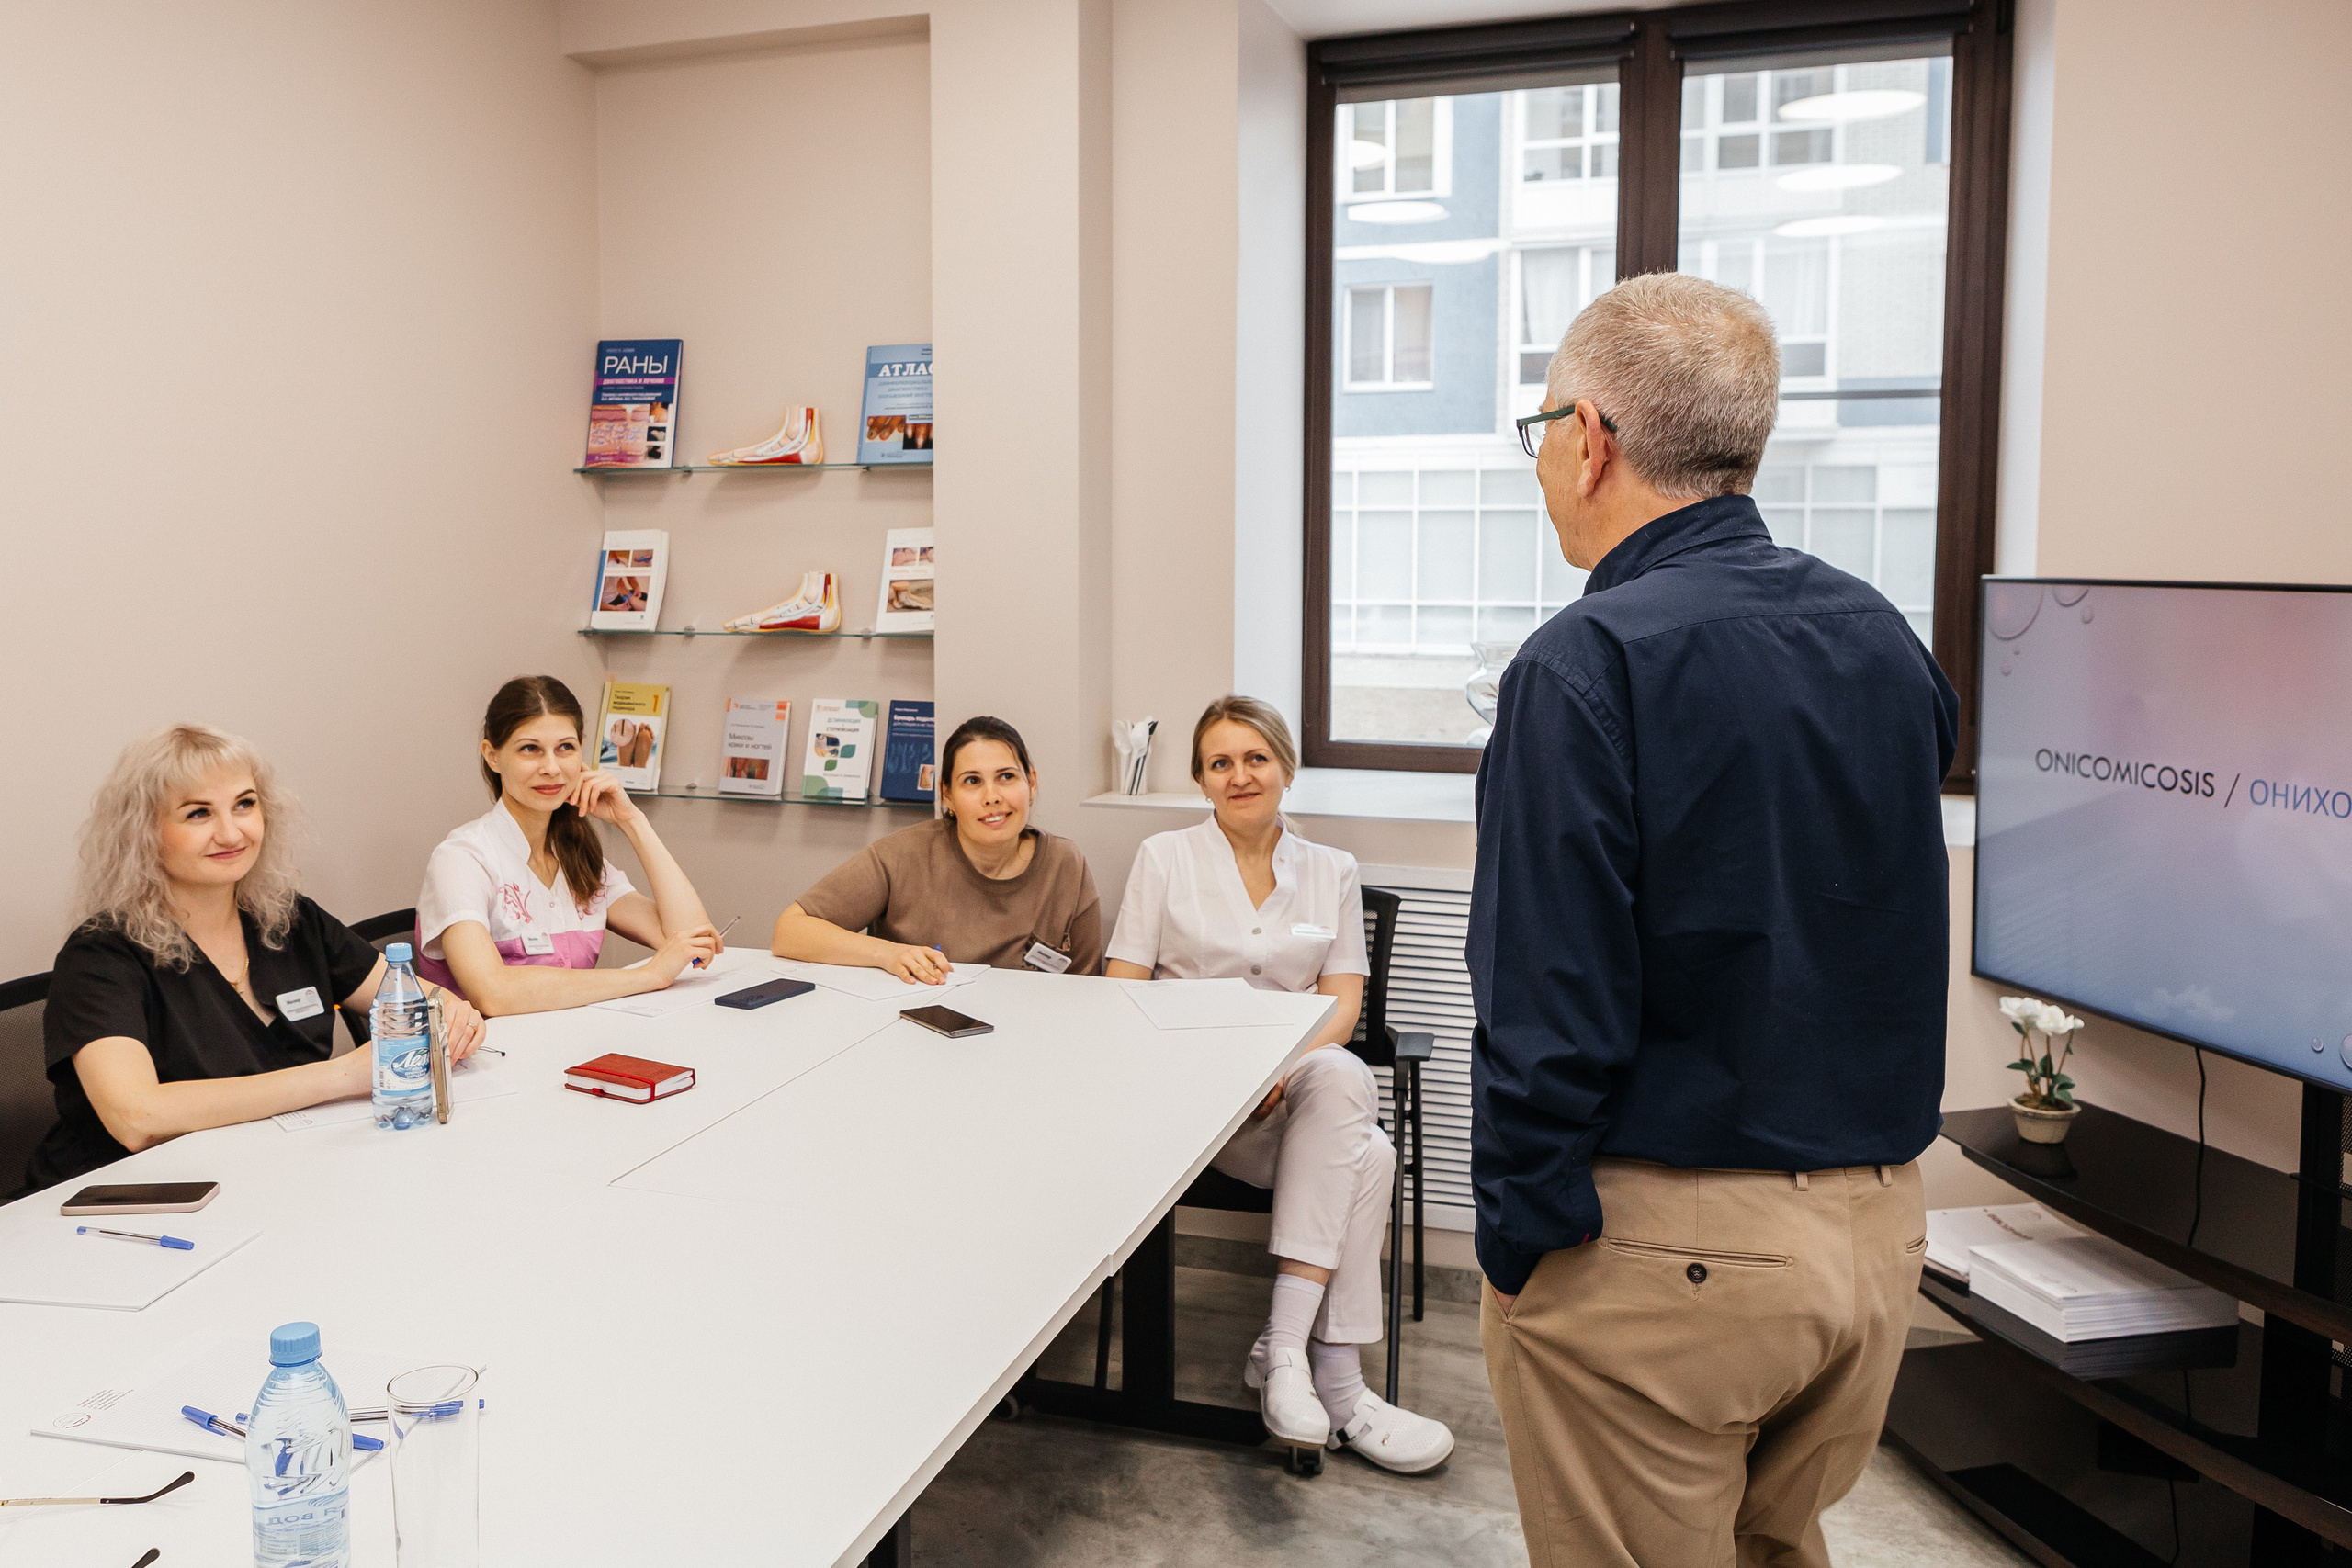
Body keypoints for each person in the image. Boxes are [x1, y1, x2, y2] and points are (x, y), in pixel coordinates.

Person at [1469, 272, 1958, 1566]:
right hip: (1873, 1241)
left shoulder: (1584, 665)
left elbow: (1544, 1004)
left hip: (1667, 1257)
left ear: (1594, 439)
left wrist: (1521, 1246)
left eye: (1543, 431)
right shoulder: (1886, 639)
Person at [1106, 697, 1453, 1474]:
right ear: (1200, 779)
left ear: (1286, 768)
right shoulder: (1164, 859)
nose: (1240, 775)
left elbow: (1343, 1004)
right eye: (1220, 762)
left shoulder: (1332, 869)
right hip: (1193, 1112)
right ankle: (1336, 1381)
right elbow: (1122, 988)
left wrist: (1276, 1069)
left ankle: (1291, 1354)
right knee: (1370, 1157)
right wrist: (1224, 1074)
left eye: (1255, 758)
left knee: (1338, 1078)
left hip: (1292, 1104)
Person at [27, 724, 489, 1190]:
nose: (231, 832)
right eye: (198, 813)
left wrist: (453, 1017)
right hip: (127, 1203)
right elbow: (138, 1117)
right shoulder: (100, 957)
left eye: (244, 804)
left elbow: (424, 1004)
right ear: (144, 831)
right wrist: (342, 1075)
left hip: (272, 1175)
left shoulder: (290, 920)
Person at [417, 676, 723, 1014]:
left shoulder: (576, 855)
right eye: (530, 749)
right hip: (489, 1059)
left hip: (574, 1046)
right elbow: (493, 993)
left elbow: (693, 942)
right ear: (493, 756)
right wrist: (649, 975)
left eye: (565, 748)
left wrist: (632, 821)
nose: (551, 768)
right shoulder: (462, 858)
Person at [772, 716, 1101, 977]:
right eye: (972, 781)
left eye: (1006, 777)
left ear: (1031, 784)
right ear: (946, 795)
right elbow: (788, 931)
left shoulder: (1064, 863)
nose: (992, 796)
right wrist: (888, 954)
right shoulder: (903, 855)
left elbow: (1086, 987)